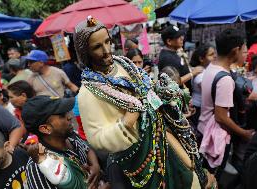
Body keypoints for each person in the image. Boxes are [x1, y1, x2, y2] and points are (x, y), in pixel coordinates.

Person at [75, 17, 216, 189]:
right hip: (135, 158)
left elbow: (147, 89)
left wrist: (163, 93)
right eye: (97, 47)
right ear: (85, 52)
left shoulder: (124, 64)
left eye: (107, 42)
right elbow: (96, 138)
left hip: (162, 134)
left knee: (190, 172)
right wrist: (126, 123)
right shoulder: (87, 93)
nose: (106, 50)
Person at [197, 29, 254, 181]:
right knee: (213, 178)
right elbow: (221, 117)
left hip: (204, 129)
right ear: (235, 51)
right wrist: (243, 133)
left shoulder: (211, 68)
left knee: (206, 174)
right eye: (243, 51)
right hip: (215, 137)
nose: (245, 54)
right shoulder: (225, 79)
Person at [21, 96, 105, 189]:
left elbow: (87, 149)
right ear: (45, 128)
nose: (69, 116)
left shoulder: (70, 135)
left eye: (67, 112)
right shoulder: (38, 167)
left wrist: (95, 165)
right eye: (62, 115)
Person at [158, 25, 203, 92]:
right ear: (169, 41)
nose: (182, 38)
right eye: (178, 37)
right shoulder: (167, 58)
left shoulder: (173, 52)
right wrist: (192, 73)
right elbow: (173, 82)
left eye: (181, 35)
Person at [190, 44, 216, 126]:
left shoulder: (206, 70)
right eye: (211, 54)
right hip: (199, 109)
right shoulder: (200, 73)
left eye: (214, 53)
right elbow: (209, 93)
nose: (215, 56)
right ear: (201, 59)